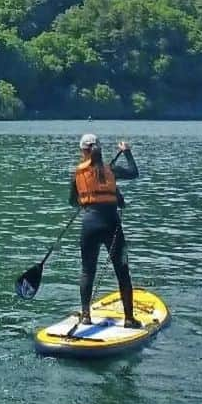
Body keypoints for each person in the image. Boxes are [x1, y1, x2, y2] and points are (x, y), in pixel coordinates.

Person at [70, 133, 140, 327]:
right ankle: (129, 319)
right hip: (112, 225)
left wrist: (87, 200)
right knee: (122, 271)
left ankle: (86, 316)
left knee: (87, 271)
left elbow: (72, 202)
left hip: (89, 226)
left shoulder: (78, 173)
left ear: (83, 151)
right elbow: (134, 173)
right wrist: (127, 152)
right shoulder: (112, 169)